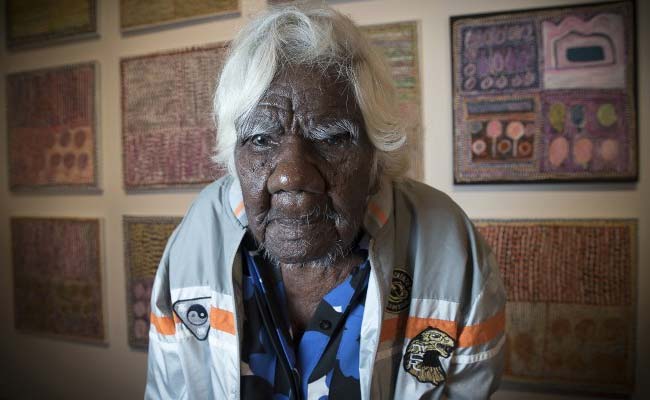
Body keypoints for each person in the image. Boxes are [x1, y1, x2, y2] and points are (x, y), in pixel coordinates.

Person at [146, 4, 506, 400]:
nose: (292, 176)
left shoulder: (450, 247)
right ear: (235, 155)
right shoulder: (195, 238)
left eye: (332, 138)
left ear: (376, 157)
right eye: (262, 140)